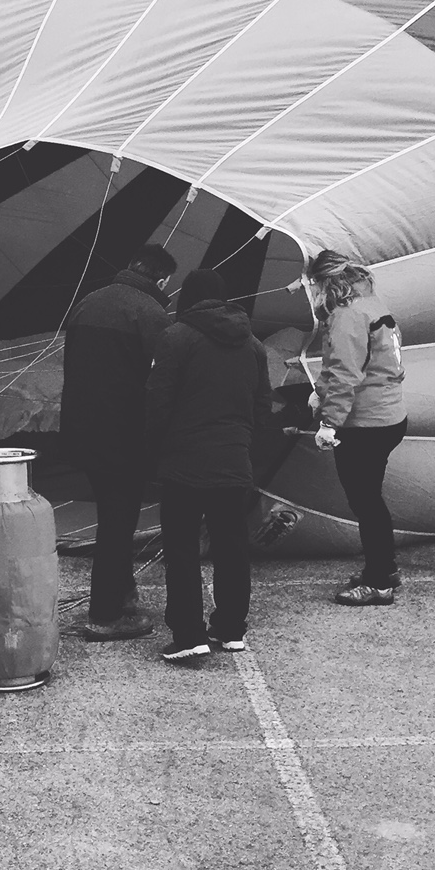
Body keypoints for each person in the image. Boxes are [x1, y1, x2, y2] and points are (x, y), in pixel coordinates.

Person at [146, 269, 271, 663]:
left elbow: (158, 401)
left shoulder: (175, 337)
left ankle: (188, 635)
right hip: (234, 460)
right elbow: (262, 406)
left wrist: (153, 450)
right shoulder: (253, 345)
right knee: (232, 547)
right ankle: (231, 629)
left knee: (182, 549)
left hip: (184, 463)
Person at [60, 243, 176, 641]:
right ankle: (105, 615)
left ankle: (123, 596)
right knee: (118, 522)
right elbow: (162, 381)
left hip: (82, 431)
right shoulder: (151, 313)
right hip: (123, 435)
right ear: (161, 280)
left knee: (114, 515)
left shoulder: (87, 303)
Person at [304, 250, 407, 606]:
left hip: (366, 422)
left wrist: (329, 424)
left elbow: (347, 375)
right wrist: (320, 393)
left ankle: (379, 582)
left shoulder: (347, 316)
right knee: (370, 500)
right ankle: (385, 569)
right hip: (389, 414)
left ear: (325, 282)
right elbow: (345, 366)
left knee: (366, 503)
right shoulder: (370, 303)